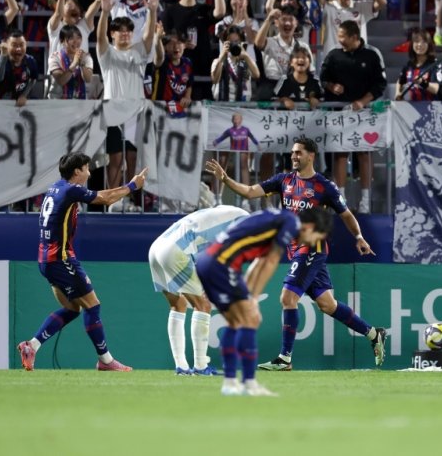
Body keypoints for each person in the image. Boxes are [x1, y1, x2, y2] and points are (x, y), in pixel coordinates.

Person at [204, 137, 386, 372]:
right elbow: (250, 192)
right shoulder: (284, 180)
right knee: (327, 305)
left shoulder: (324, 186)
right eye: (292, 153)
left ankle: (285, 358)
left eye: (299, 152)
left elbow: (346, 214)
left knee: (287, 298)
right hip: (294, 249)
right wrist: (225, 179)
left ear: (311, 155)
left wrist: (359, 237)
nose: (293, 156)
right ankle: (374, 334)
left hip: (311, 248)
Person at [17, 152, 149, 372]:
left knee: (72, 308)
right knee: (92, 305)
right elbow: (105, 199)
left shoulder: (54, 188)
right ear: (77, 171)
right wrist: (133, 186)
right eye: (87, 168)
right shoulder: (71, 189)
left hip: (46, 259)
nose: (89, 173)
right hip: (61, 258)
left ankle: (32, 345)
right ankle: (106, 361)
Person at [195, 206, 333, 395]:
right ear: (309, 227)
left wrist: (251, 296)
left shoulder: (278, 221)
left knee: (237, 322)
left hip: (209, 262)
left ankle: (231, 383)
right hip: (221, 264)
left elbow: (259, 262)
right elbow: (270, 261)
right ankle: (248, 384)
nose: (313, 243)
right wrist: (252, 301)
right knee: (250, 319)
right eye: (317, 238)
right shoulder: (291, 224)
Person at [148, 205, 250, 375]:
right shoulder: (244, 222)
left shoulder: (224, 214)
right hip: (175, 250)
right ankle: (201, 366)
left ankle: (181, 366)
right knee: (203, 305)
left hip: (157, 248)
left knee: (178, 304)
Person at [96, 0, 158, 206]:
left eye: (128, 31)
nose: (124, 34)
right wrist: (104, 12)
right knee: (116, 159)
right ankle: (110, 200)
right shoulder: (107, 53)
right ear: (112, 34)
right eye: (120, 30)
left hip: (135, 113)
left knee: (132, 159)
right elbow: (99, 37)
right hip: (113, 113)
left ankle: (130, 199)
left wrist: (152, 11)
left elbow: (149, 37)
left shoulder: (138, 52)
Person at [320, 19, 387, 213]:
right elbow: (323, 78)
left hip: (364, 114)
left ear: (354, 37)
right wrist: (332, 86)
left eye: (342, 36)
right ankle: (341, 200)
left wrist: (363, 101)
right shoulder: (333, 56)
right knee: (340, 154)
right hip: (339, 114)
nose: (339, 40)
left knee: (364, 154)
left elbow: (380, 85)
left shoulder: (372, 55)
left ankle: (365, 201)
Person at [212, 112, 259, 208]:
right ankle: (217, 197)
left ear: (241, 120)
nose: (236, 121)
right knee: (222, 163)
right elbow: (222, 137)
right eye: (234, 119)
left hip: (243, 150)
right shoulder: (230, 130)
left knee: (244, 165)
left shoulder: (245, 130)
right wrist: (216, 142)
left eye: (238, 119)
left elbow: (253, 137)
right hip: (232, 149)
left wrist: (258, 144)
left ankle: (246, 199)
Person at [0, 29, 39, 105]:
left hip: (20, 104)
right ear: (7, 45)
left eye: (21, 45)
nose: (18, 49)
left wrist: (24, 95)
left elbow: (33, 79)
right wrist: (3, 56)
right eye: (14, 45)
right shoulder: (0, 60)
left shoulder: (31, 61)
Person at [47, 24, 94, 99]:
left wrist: (82, 64)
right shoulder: (54, 57)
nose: (76, 41)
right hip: (58, 104)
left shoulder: (86, 57)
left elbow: (88, 79)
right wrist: (74, 64)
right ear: (62, 41)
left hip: (80, 104)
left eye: (78, 38)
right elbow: (61, 81)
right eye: (71, 38)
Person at [395, 27, 440, 101]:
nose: (420, 45)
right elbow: (400, 81)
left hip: (431, 108)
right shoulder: (408, 65)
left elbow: (437, 89)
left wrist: (423, 83)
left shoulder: (434, 65)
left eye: (424, 42)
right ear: (412, 44)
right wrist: (398, 93)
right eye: (417, 41)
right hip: (413, 108)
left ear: (429, 45)